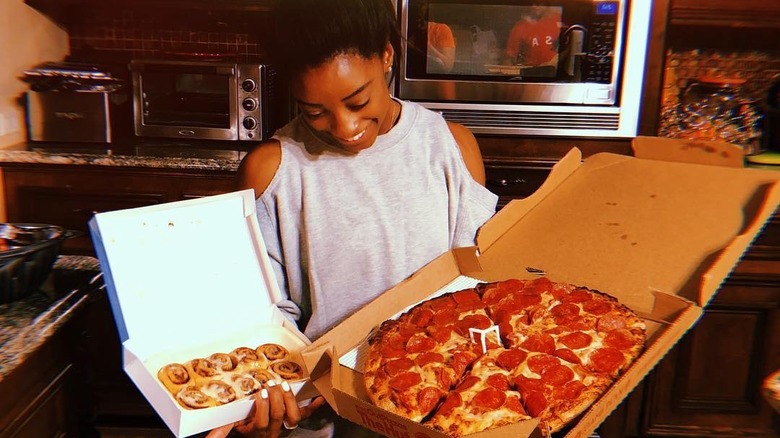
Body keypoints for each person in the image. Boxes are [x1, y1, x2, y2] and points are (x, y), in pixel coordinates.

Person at [207, 0, 498, 436]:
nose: (344, 128)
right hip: (324, 415)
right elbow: (266, 314)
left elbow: (473, 290)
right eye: (316, 112)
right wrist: (270, 392)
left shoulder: (451, 149)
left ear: (386, 55)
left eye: (357, 100)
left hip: (437, 403)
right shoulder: (272, 170)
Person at [504, 5, 562, 71]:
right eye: (532, 3)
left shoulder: (560, 20)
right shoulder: (520, 27)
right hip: (531, 76)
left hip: (555, 76)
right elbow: (509, 59)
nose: (534, 6)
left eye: (538, 3)